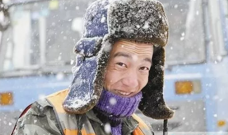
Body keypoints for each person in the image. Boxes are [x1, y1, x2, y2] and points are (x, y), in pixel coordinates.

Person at [12, 0, 174, 134]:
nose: (132, 82)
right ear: (94, 63)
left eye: (143, 68)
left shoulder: (142, 130)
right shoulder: (48, 119)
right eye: (121, 64)